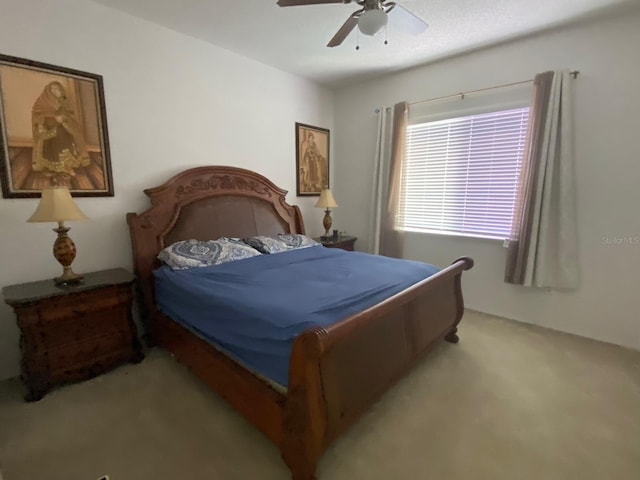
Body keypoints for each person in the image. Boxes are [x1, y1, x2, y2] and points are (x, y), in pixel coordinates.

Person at [31, 81, 90, 177]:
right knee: (51, 148)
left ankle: (67, 166)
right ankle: (53, 167)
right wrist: (45, 121)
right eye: (52, 89)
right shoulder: (42, 101)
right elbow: (37, 115)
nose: (55, 91)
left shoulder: (64, 101)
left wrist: (64, 119)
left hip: (64, 127)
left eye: (57, 88)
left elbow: (70, 114)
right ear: (48, 90)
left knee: (66, 138)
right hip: (48, 129)